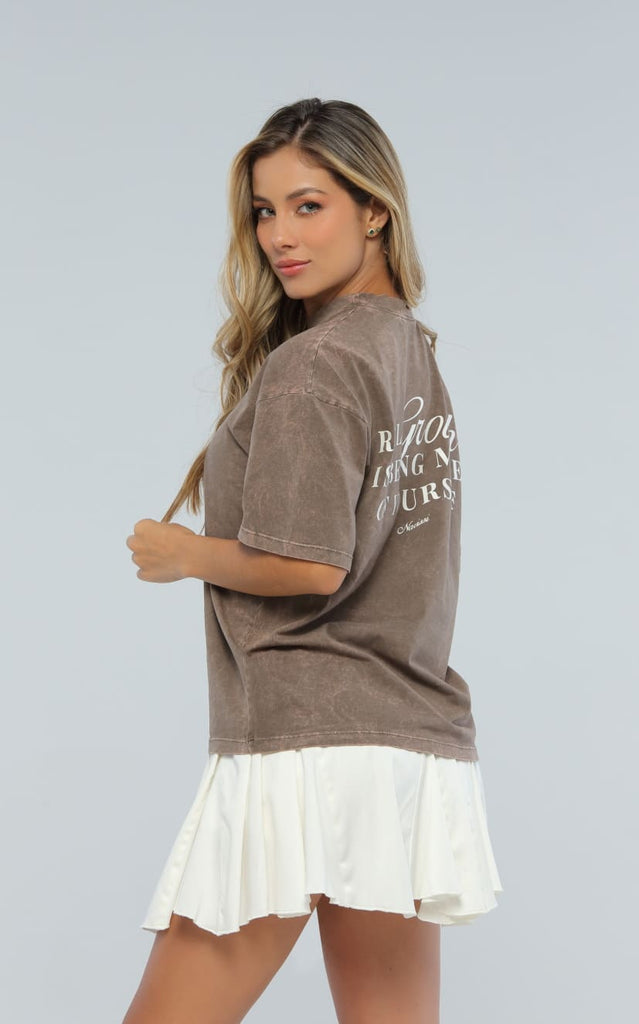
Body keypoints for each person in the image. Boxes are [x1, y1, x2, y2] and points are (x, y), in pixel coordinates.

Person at [122, 97, 503, 1024]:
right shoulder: (405, 350)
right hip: (403, 743)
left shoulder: (314, 364)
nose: (279, 237)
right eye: (264, 211)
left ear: (373, 210)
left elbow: (310, 567)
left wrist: (183, 554)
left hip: (308, 739)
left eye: (308, 205)